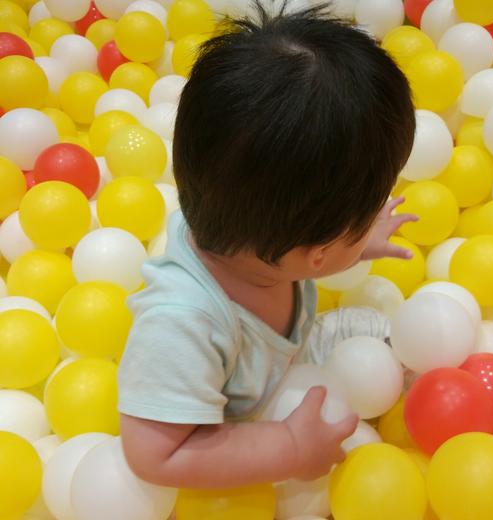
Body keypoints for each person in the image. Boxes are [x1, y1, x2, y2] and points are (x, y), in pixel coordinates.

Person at [118, 3, 416, 489]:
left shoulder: (248, 228)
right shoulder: (183, 327)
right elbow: (153, 454)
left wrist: (355, 242)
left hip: (289, 355)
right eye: (359, 224)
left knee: (394, 337)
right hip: (239, 425)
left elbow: (299, 239)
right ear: (317, 253)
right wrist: (288, 448)